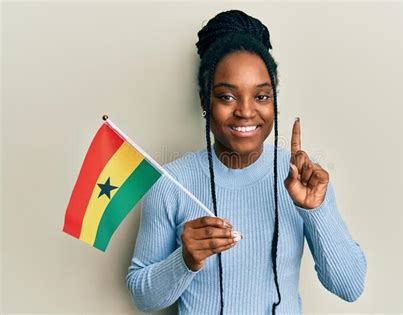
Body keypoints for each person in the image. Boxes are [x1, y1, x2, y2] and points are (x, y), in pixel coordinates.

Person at [126, 9, 367, 315]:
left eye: (261, 96)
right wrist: (185, 260)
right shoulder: (171, 183)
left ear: (274, 100)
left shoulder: (301, 176)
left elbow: (349, 286)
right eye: (227, 96)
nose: (246, 111)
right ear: (204, 101)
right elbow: (142, 298)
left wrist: (315, 209)